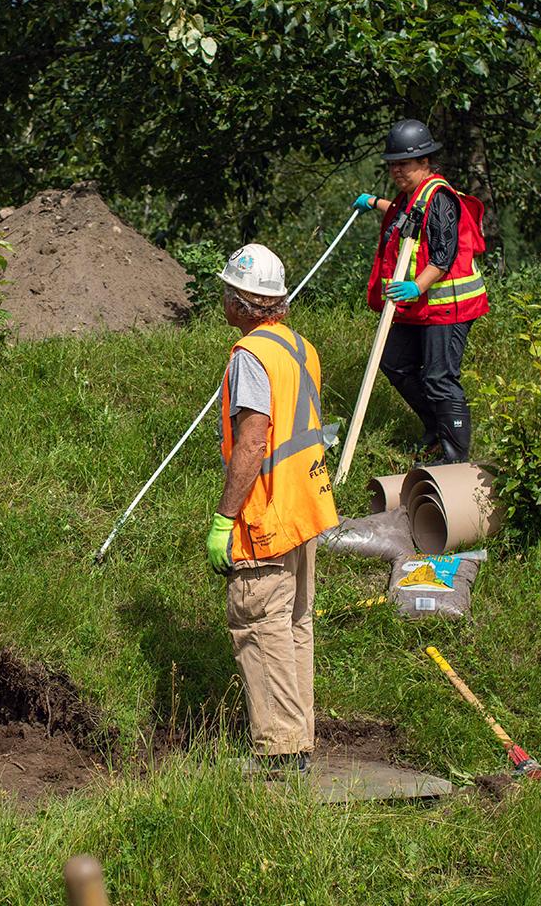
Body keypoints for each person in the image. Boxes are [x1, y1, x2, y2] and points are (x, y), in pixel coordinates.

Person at [205, 244, 339, 776]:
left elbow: (253, 442)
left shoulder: (250, 356)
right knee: (294, 624)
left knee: (259, 621)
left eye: (226, 292)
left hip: (269, 511)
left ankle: (282, 752)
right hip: (306, 506)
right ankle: (297, 739)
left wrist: (225, 518)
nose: (222, 300)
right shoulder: (299, 347)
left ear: (240, 301)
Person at [353, 119, 489, 462]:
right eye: (392, 164)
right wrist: (374, 202)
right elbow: (408, 215)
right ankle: (436, 426)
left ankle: (454, 455)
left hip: (449, 305)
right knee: (395, 362)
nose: (396, 170)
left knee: (439, 377)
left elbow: (443, 255)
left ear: (425, 162)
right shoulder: (413, 195)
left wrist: (416, 286)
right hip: (420, 307)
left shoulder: (439, 196)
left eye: (404, 163)